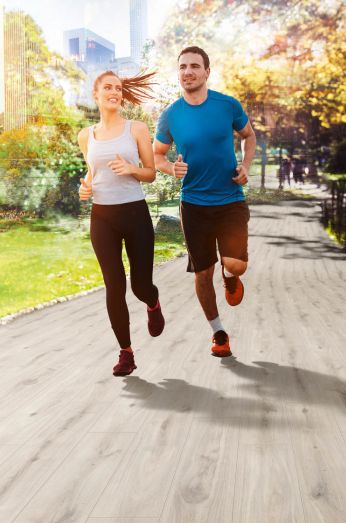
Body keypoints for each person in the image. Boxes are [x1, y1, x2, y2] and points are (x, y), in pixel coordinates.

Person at [153, 46, 256, 357]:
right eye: (183, 66)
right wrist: (172, 168)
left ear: (207, 72)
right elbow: (158, 154)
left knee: (235, 263)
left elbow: (249, 136)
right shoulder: (171, 115)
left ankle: (230, 276)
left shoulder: (227, 105)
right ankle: (218, 333)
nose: (188, 71)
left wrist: (245, 166)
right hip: (194, 204)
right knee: (201, 273)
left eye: (195, 66)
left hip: (229, 199)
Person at [77, 70, 165, 376]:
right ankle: (126, 352)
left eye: (118, 88)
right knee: (114, 286)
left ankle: (152, 304)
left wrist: (131, 168)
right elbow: (92, 173)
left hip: (134, 213)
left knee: (140, 285)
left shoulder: (136, 129)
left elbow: (151, 172)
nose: (114, 92)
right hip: (102, 217)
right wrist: (84, 187)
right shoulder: (85, 136)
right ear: (97, 95)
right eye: (108, 88)